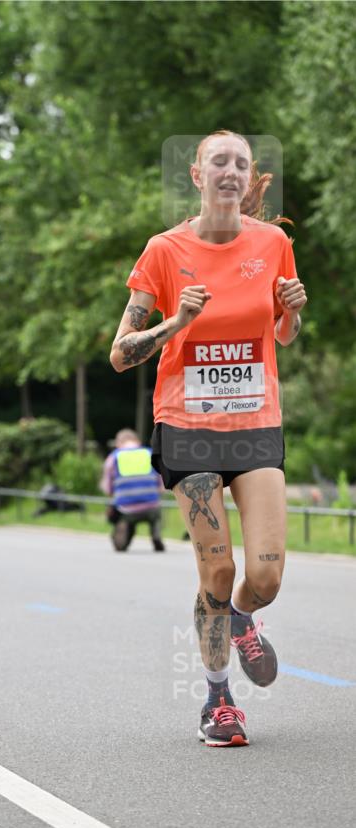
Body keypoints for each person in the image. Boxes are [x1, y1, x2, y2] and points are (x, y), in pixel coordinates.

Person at [110, 130, 307, 748]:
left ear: (250, 180)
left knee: (266, 576)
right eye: (218, 160)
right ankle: (218, 699)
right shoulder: (164, 251)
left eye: (241, 164)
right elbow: (120, 353)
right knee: (216, 570)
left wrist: (293, 311)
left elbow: (282, 336)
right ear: (197, 175)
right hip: (189, 429)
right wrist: (178, 322)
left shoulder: (273, 243)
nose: (230, 170)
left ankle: (246, 619)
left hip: (255, 425)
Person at [100, 428, 165, 552]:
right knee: (156, 515)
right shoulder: (150, 454)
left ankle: (123, 530)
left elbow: (107, 489)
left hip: (126, 509)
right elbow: (161, 486)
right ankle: (156, 533)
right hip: (151, 506)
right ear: (137, 441)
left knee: (118, 514)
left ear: (119, 443)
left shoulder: (113, 458)